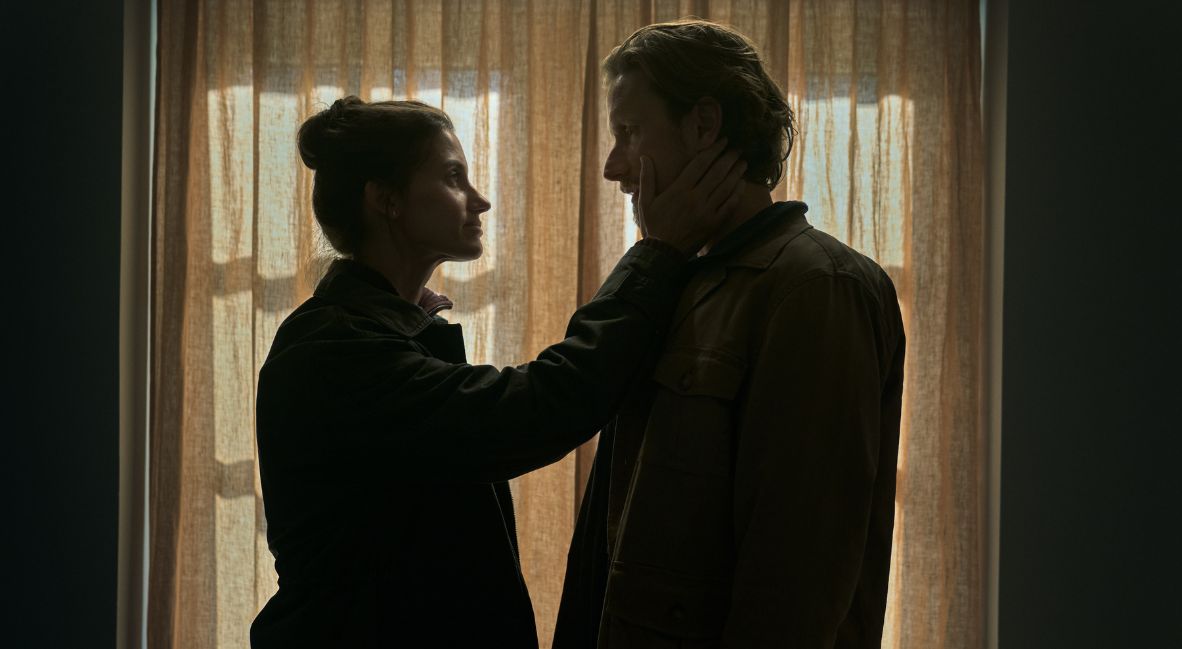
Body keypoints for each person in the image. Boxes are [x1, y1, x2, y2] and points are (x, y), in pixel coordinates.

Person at [250, 96, 746, 648]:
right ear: (386, 200)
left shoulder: (384, 335)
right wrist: (658, 253)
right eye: (453, 177)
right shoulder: (334, 351)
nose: (479, 200)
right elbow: (540, 407)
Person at [554, 20, 907, 649]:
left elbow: (797, 578)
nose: (612, 167)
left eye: (629, 132)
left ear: (703, 125)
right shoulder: (675, 279)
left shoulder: (816, 286)